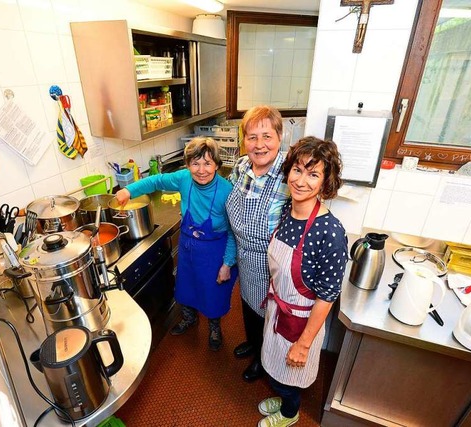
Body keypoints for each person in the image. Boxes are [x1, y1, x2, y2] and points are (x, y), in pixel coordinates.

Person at [256, 136, 348, 427]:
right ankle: (285, 398)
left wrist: (304, 344)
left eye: (313, 174)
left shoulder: (330, 232)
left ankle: (289, 412)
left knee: (290, 374)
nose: (301, 181)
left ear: (325, 182)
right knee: (273, 367)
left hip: (301, 323)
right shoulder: (286, 210)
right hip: (278, 311)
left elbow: (327, 296)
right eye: (297, 170)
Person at [115, 137, 238, 351]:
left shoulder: (227, 192)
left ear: (217, 165)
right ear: (188, 164)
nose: (201, 170)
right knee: (186, 286)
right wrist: (128, 190)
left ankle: (214, 328)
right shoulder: (183, 179)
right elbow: (155, 181)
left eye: (207, 163)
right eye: (195, 163)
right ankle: (189, 318)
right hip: (188, 248)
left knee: (213, 292)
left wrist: (227, 264)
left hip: (214, 253)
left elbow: (234, 233)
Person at [226, 105, 290, 382]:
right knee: (248, 306)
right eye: (252, 137)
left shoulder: (290, 173)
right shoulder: (240, 167)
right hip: (245, 255)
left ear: (279, 137)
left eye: (267, 136)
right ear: (244, 141)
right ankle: (253, 344)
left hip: (272, 261)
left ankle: (263, 361)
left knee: (270, 317)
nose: (259, 145)